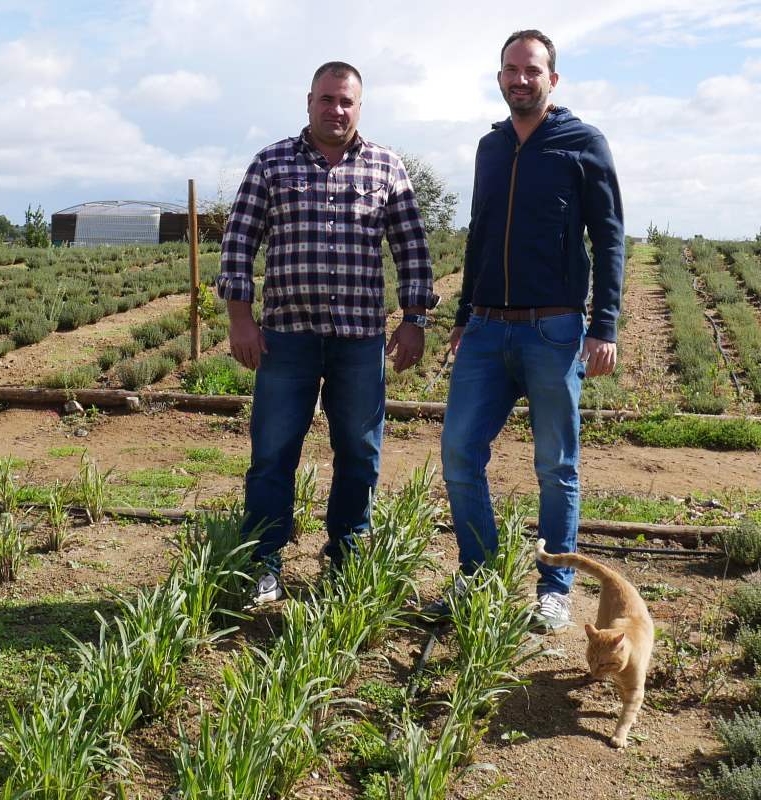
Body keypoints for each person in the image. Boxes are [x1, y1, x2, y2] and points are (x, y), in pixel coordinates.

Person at [217, 61, 437, 603]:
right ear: (309, 101)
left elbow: (411, 248)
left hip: (359, 339)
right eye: (327, 99)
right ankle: (262, 561)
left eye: (346, 102)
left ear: (359, 107)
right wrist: (240, 319)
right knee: (273, 451)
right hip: (286, 337)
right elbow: (239, 242)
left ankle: (346, 556)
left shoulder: (386, 167)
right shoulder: (272, 163)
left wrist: (414, 321)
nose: (335, 110)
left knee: (360, 451)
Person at [438, 30, 624, 629]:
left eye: (533, 69)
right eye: (511, 69)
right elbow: (478, 234)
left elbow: (610, 236)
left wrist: (604, 325)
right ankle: (480, 573)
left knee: (556, 466)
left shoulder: (582, 143)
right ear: (499, 79)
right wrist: (464, 316)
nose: (521, 78)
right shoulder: (490, 148)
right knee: (460, 452)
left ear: (553, 78)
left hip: (555, 331)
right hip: (487, 331)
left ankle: (555, 586)